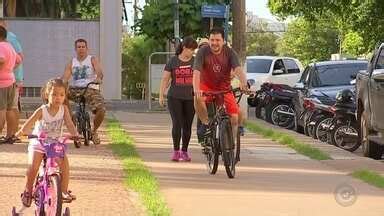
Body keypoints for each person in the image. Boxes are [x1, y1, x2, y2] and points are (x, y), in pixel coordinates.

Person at [16, 78, 79, 207]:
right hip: (39, 142)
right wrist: (21, 132)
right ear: (47, 94)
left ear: (64, 96)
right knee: (33, 167)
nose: (58, 98)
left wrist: (75, 134)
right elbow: (30, 123)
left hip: (54, 143)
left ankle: (63, 191)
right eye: (54, 94)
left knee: (65, 165)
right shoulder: (42, 110)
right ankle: (28, 191)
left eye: (61, 95)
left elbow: (69, 124)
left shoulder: (64, 109)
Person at [193, 27, 248, 142]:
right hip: (206, 87)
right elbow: (196, 72)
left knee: (235, 117)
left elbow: (237, 69)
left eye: (217, 40)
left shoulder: (229, 52)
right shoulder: (203, 52)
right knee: (197, 98)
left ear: (223, 41)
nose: (214, 43)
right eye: (212, 40)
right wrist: (196, 88)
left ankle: (230, 145)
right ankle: (206, 124)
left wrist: (243, 82)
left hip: (224, 89)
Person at [159, 36, 198, 161]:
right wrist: (161, 95)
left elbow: (201, 78)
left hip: (191, 98)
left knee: (187, 125)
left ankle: (184, 151)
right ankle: (176, 151)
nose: (192, 52)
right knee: (177, 124)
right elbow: (165, 79)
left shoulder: (196, 61)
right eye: (191, 49)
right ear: (184, 48)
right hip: (175, 97)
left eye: (194, 50)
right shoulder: (173, 61)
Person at [62, 38, 104, 145]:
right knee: (61, 96)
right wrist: (62, 83)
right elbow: (65, 78)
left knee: (101, 110)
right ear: (75, 49)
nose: (81, 49)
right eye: (79, 47)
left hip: (90, 88)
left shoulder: (92, 59)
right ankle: (71, 121)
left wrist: (98, 78)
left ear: (87, 48)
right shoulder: (72, 62)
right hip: (76, 89)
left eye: (83, 47)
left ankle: (94, 131)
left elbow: (99, 71)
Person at [0, 18, 24, 144]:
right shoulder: (9, 45)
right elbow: (19, 60)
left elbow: (1, 59)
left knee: (1, 110)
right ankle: (10, 136)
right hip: (11, 80)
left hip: (2, 83)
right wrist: (9, 69)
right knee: (10, 109)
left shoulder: (1, 46)